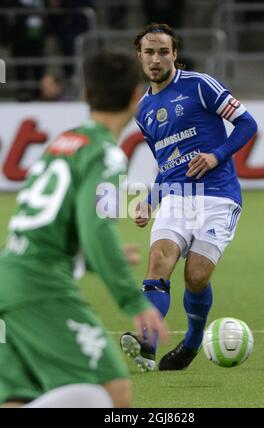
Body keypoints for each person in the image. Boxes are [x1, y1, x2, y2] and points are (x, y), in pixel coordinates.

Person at [0, 50, 168, 408]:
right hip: (41, 288)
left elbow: (49, 222)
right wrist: (132, 299)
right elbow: (97, 227)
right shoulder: (107, 154)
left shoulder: (61, 144)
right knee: (114, 393)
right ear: (136, 96)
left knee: (19, 398)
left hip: (9, 276)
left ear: (85, 95)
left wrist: (88, 255)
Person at [120, 23, 257, 371]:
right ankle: (147, 343)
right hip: (178, 197)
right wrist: (152, 199)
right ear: (140, 56)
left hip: (218, 195)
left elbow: (247, 124)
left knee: (195, 276)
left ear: (174, 54)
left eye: (163, 51)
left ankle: (193, 341)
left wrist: (216, 155)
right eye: (149, 52)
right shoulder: (143, 110)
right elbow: (165, 162)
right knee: (158, 263)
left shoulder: (199, 86)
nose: (156, 58)